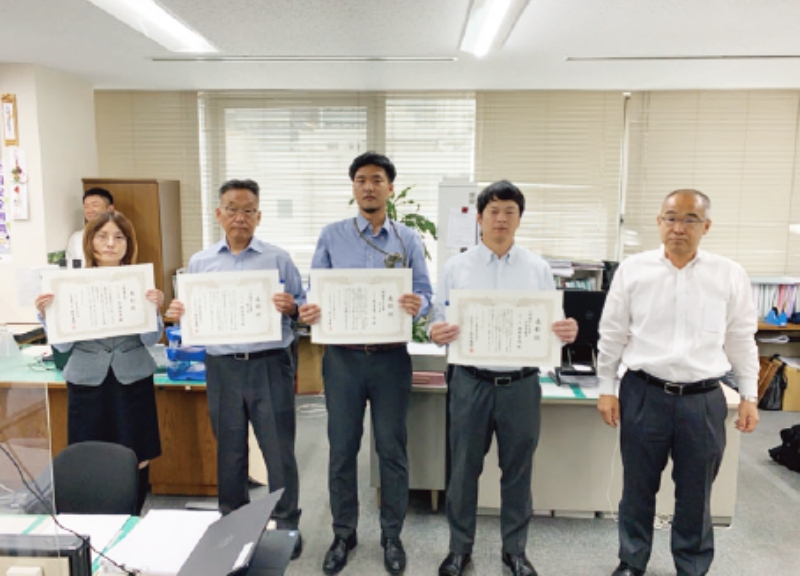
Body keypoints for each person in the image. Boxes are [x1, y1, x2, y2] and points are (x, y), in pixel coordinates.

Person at [596, 189, 760, 576]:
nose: (678, 228)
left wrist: (749, 394)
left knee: (696, 492)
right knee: (638, 487)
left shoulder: (729, 274)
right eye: (670, 218)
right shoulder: (634, 270)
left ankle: (692, 566)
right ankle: (632, 561)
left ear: (706, 226)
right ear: (659, 222)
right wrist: (606, 388)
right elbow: (613, 332)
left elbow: (741, 337)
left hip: (702, 399)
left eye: (689, 219)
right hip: (643, 392)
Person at [429, 180, 578, 576]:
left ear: (519, 219)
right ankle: (459, 549)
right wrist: (435, 331)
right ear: (479, 218)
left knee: (518, 471)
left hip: (521, 385)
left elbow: (552, 323)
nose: (501, 219)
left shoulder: (538, 268)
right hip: (470, 382)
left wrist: (566, 330)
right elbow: (436, 318)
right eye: (493, 211)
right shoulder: (457, 267)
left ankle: (515, 551)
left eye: (509, 212)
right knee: (463, 471)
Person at [298, 152, 433, 575]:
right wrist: (310, 309)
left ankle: (392, 535)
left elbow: (426, 292)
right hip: (343, 359)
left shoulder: (407, 239)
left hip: (391, 359)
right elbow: (314, 294)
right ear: (353, 187)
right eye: (361, 179)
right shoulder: (332, 235)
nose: (369, 186)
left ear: (390, 188)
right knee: (342, 449)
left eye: (376, 179)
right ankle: (344, 533)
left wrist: (418, 303)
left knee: (392, 449)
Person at [166, 178, 304, 559]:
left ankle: (286, 524)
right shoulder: (200, 262)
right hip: (222, 366)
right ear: (218, 214)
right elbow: (190, 314)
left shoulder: (278, 259)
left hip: (269, 364)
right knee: (229, 450)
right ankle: (233, 524)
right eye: (232, 209)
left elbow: (302, 307)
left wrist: (292, 307)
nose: (239, 217)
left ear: (259, 216)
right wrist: (178, 312)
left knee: (279, 450)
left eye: (247, 210)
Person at [35, 210, 164, 514]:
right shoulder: (68, 284)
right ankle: (94, 524)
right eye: (102, 236)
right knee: (89, 455)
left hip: (133, 378)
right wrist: (46, 315)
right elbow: (63, 345)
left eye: (119, 237)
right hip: (87, 379)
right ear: (90, 241)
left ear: (128, 244)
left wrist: (155, 310)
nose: (110, 244)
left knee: (136, 454)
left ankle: (132, 517)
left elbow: (150, 340)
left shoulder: (140, 282)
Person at [65, 187, 115, 267]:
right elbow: (70, 267)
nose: (89, 210)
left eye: (95, 205)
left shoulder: (118, 235)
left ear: (110, 209)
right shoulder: (76, 238)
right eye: (86, 206)